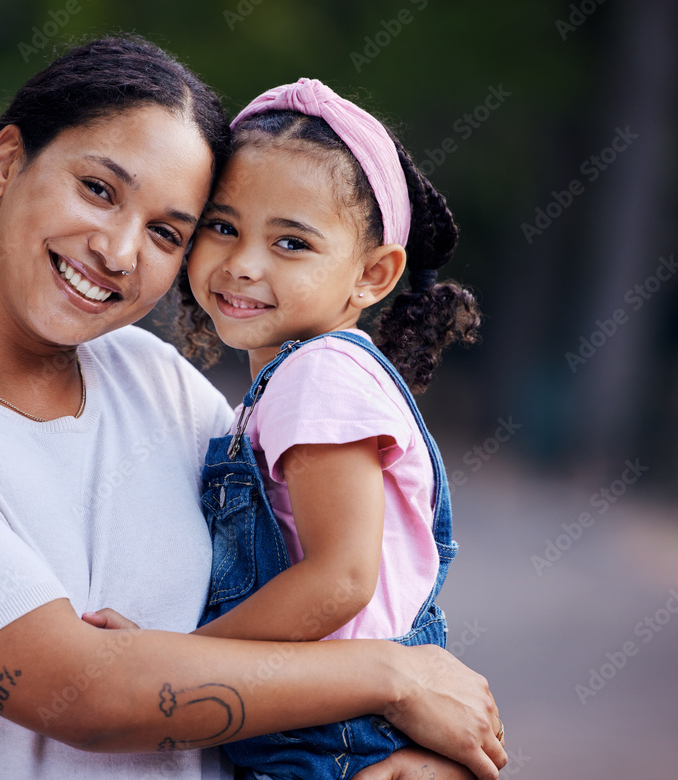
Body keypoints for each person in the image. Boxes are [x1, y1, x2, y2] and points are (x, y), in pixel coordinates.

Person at [0, 37, 506, 780]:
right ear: (5, 160)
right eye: (98, 188)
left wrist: (426, 758)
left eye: (167, 232)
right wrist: (394, 678)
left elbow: (346, 585)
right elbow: (84, 697)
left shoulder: (159, 382)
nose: (119, 250)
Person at [82, 78, 491, 778]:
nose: (243, 263)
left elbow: (341, 578)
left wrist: (178, 657)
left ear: (371, 275)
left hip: (330, 735)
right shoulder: (300, 385)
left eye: (292, 243)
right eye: (222, 226)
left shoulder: (318, 377)